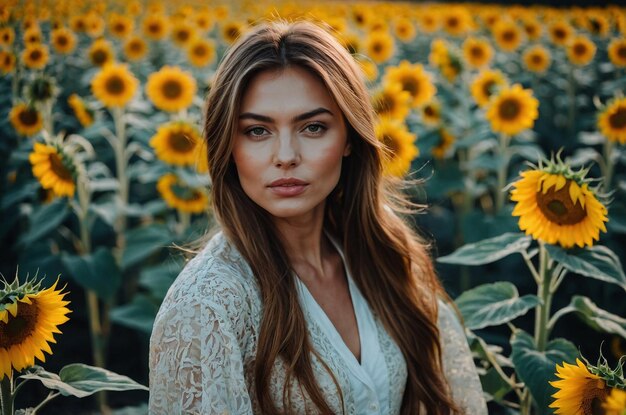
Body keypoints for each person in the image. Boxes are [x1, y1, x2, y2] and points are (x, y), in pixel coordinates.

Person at [149, 20, 487, 415]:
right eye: (258, 131)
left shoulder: (384, 258)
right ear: (228, 146)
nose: (286, 155)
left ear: (348, 139)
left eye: (313, 127)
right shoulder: (207, 307)